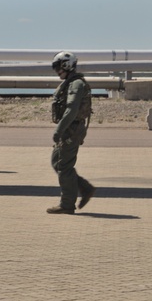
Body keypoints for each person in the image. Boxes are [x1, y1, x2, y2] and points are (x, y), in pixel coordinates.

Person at [48, 51, 95, 214]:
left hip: (71, 129)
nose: (56, 72)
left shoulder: (76, 84)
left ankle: (67, 204)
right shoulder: (70, 83)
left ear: (65, 65)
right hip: (69, 128)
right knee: (57, 161)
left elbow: (72, 109)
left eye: (57, 68)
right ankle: (85, 188)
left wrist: (59, 130)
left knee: (64, 166)